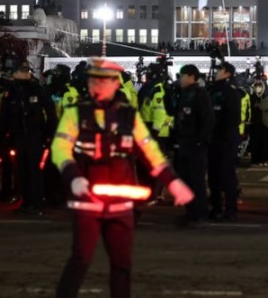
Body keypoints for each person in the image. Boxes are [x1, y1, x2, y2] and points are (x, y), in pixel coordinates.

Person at [51, 58, 193, 298]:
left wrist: (173, 182)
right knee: (81, 260)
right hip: (87, 201)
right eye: (94, 79)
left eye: (104, 80)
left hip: (121, 205)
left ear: (116, 83)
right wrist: (74, 177)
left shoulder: (129, 117)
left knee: (122, 264)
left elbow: (151, 153)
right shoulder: (75, 113)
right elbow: (60, 149)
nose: (98, 85)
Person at [0, 62, 57, 215]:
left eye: (27, 72)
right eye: (22, 71)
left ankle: (36, 202)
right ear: (15, 74)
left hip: (34, 135)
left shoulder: (37, 89)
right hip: (18, 135)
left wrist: (49, 133)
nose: (26, 74)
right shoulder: (10, 92)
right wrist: (3, 134)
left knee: (34, 169)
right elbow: (4, 115)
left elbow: (50, 111)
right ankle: (25, 201)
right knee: (21, 170)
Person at [165, 64, 213, 225]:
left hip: (195, 144)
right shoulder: (183, 93)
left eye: (183, 76)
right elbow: (173, 112)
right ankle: (190, 211)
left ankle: (200, 212)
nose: (181, 79)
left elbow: (207, 119)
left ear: (191, 76)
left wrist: (200, 140)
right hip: (184, 142)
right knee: (185, 178)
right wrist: (168, 93)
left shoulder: (200, 94)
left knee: (196, 179)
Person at [207, 61, 242, 221]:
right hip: (213, 138)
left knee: (227, 176)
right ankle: (216, 207)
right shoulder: (213, 90)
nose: (216, 72)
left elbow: (233, 118)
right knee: (213, 176)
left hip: (226, 140)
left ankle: (230, 209)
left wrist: (227, 138)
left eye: (220, 70)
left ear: (227, 72)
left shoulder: (230, 91)